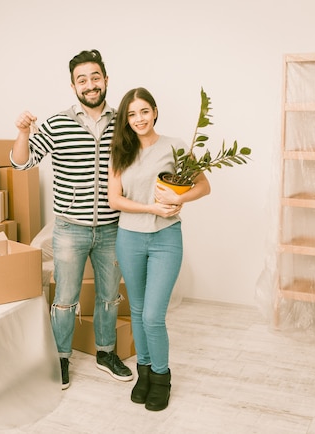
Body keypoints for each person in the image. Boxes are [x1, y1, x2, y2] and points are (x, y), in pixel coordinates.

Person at [11, 49, 133, 390]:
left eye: (95, 77)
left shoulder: (123, 121)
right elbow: (22, 163)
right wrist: (22, 132)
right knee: (65, 299)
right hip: (69, 229)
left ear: (106, 80)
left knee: (110, 296)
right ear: (73, 85)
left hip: (112, 227)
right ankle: (60, 358)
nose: (90, 85)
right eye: (82, 80)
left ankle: (106, 352)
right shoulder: (57, 123)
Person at [108, 87, 211, 411]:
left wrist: (178, 199)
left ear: (154, 111)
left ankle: (162, 376)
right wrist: (152, 208)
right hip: (130, 238)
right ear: (127, 119)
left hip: (166, 238)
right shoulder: (120, 151)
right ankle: (145, 373)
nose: (139, 119)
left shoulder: (176, 147)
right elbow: (115, 200)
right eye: (132, 114)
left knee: (153, 315)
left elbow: (204, 185)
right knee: (137, 311)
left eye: (144, 111)